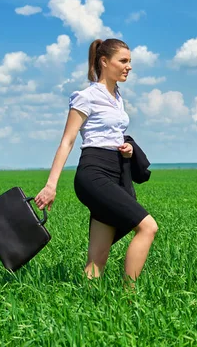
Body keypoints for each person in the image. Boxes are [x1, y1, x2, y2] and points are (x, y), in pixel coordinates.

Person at [33, 38, 158, 289]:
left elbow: (111, 133)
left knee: (97, 260)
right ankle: (129, 295)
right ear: (104, 61)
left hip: (115, 171)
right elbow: (67, 142)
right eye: (123, 61)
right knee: (148, 227)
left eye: (130, 61)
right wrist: (51, 185)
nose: (129, 66)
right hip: (94, 173)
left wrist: (128, 148)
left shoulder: (117, 97)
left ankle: (88, 303)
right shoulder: (86, 97)